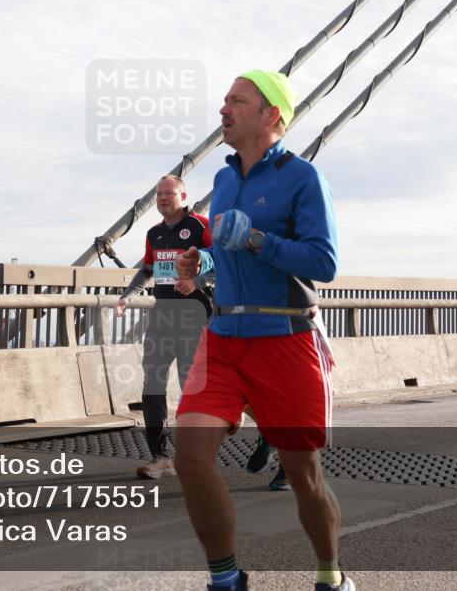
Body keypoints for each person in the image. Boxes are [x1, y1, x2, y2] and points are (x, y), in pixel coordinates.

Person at [174, 69, 352, 591]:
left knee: (303, 473)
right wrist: (203, 262)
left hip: (286, 339)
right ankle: (226, 579)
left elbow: (324, 262)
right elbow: (227, 251)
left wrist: (255, 240)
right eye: (224, 100)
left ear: (271, 114)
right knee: (190, 458)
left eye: (236, 100)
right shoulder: (225, 180)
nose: (223, 109)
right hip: (224, 338)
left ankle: (331, 575)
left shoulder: (304, 179)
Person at [115, 175, 212, 480]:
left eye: (169, 194)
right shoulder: (154, 233)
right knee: (152, 383)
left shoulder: (201, 227)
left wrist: (196, 282)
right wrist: (127, 296)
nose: (162, 199)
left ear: (184, 196)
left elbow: (226, 264)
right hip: (163, 317)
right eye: (158, 195)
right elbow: (147, 270)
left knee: (191, 386)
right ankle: (161, 456)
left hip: (194, 316)